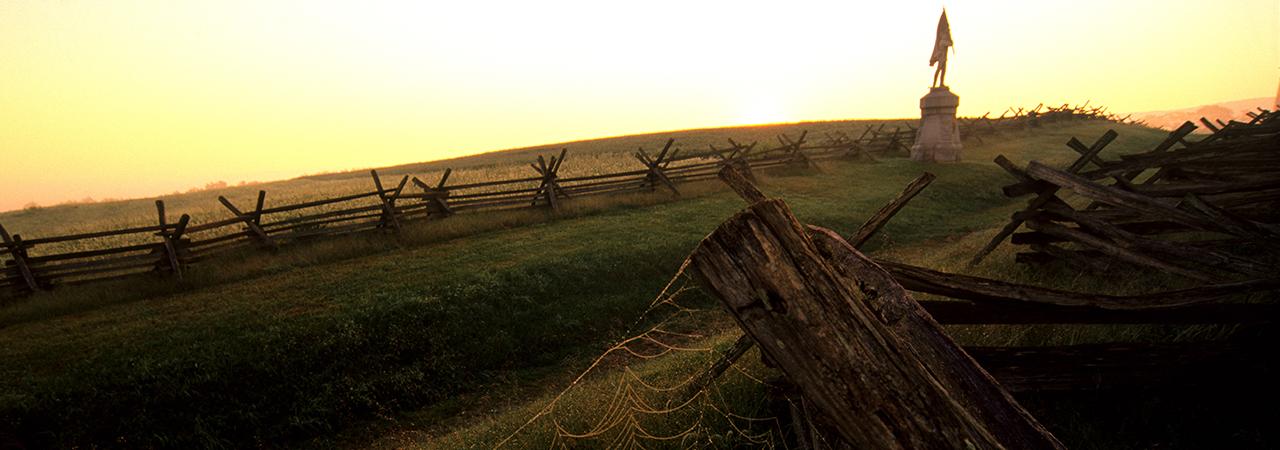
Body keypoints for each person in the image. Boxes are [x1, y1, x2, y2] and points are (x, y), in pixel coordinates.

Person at [931, 10, 953, 88]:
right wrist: (950, 40)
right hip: (941, 58)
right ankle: (934, 84)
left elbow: (949, 44)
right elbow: (948, 44)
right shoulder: (942, 41)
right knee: (939, 70)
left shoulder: (945, 40)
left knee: (943, 71)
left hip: (944, 58)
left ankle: (941, 83)